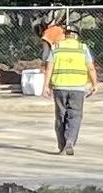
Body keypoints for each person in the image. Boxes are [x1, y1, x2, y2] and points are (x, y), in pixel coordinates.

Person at [42, 24, 99, 155]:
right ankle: (70, 141)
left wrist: (46, 85)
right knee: (75, 115)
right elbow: (90, 68)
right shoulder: (82, 48)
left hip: (59, 87)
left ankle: (62, 145)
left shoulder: (56, 47)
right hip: (78, 88)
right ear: (77, 35)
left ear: (65, 34)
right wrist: (94, 84)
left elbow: (49, 67)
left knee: (60, 116)